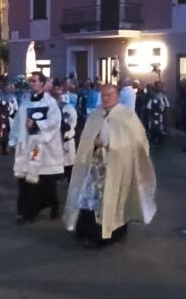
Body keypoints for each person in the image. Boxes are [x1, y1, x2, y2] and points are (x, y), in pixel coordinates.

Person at [64, 84, 157, 248]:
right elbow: (86, 140)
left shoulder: (127, 116)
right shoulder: (95, 115)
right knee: (90, 200)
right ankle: (87, 231)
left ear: (117, 96)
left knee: (114, 201)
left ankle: (110, 235)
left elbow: (137, 143)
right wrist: (93, 144)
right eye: (103, 95)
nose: (106, 98)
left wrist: (109, 144)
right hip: (94, 168)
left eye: (110, 94)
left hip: (116, 169)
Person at [10, 72, 63, 223]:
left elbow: (55, 122)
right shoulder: (25, 101)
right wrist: (13, 140)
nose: (31, 84)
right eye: (30, 81)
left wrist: (37, 124)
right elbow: (18, 121)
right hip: (26, 147)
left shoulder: (50, 103)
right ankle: (27, 212)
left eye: (34, 81)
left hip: (43, 149)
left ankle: (53, 205)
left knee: (46, 182)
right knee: (26, 181)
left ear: (42, 83)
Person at [52, 80, 78, 181]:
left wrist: (67, 131)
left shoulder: (68, 108)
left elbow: (72, 122)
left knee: (69, 163)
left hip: (67, 139)